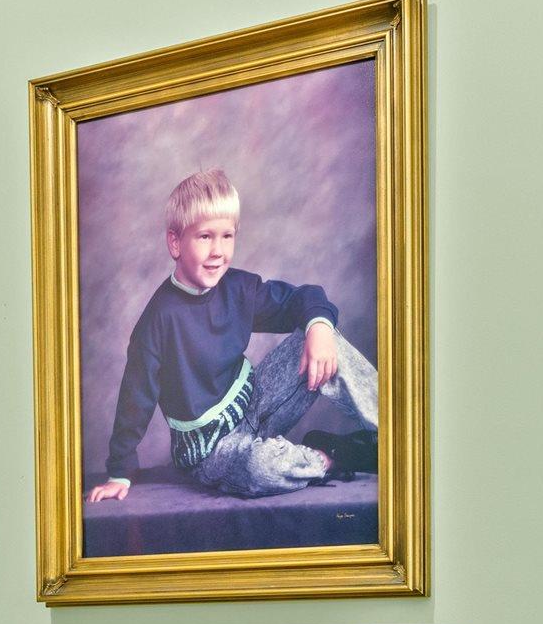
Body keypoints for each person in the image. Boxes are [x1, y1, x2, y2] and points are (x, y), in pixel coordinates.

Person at [89, 168, 379, 503]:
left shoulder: (239, 288)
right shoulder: (159, 320)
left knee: (321, 334)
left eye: (227, 236)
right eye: (204, 237)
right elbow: (134, 400)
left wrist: (318, 328)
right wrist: (119, 472)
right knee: (259, 467)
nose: (218, 251)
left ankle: (395, 435)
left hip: (255, 403)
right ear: (174, 242)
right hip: (211, 450)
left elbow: (302, 298)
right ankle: (334, 455)